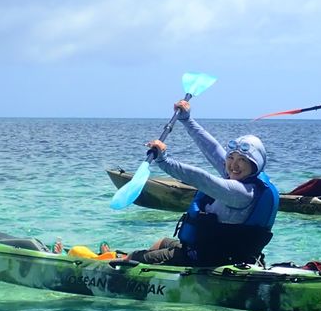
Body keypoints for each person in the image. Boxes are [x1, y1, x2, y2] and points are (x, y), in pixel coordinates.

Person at [119, 100, 279, 267]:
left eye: (242, 160)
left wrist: (163, 160)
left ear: (254, 165)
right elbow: (212, 148)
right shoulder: (237, 176)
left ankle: (116, 264)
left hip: (209, 258)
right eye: (231, 158)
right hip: (202, 248)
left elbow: (200, 178)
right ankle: (120, 257)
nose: (234, 165)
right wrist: (187, 120)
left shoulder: (242, 193)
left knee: (134, 260)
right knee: (162, 242)